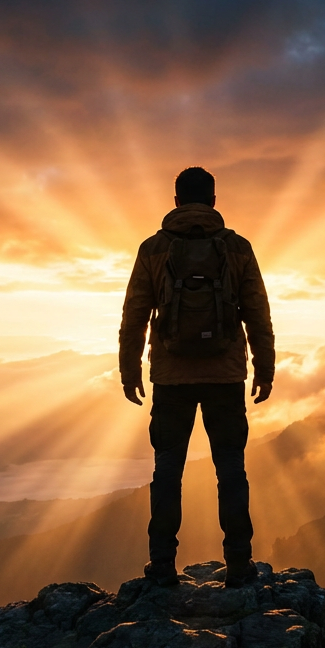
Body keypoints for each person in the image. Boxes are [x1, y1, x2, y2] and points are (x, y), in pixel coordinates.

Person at [119, 166, 275, 589]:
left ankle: (162, 565)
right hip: (225, 375)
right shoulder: (237, 248)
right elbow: (257, 313)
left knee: (167, 469)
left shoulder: (154, 248)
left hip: (170, 377)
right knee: (231, 469)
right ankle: (239, 565)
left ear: (175, 202)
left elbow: (134, 315)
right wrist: (265, 368)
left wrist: (129, 369)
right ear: (214, 202)